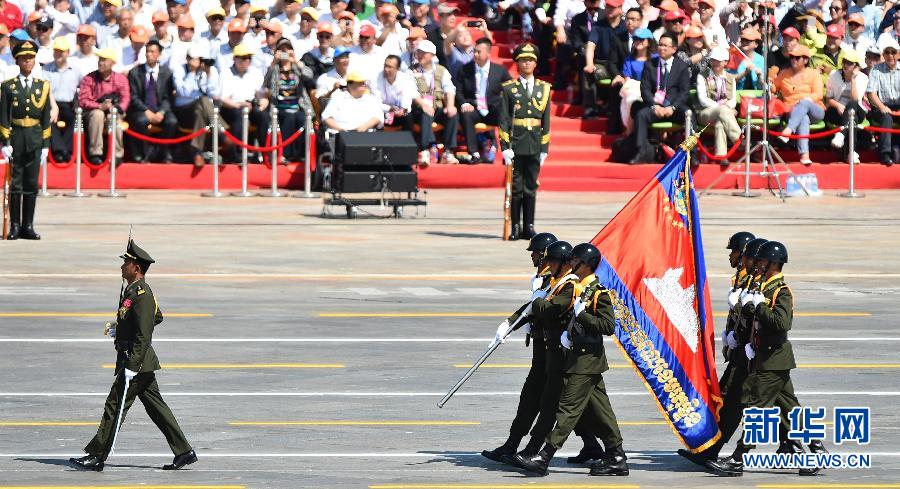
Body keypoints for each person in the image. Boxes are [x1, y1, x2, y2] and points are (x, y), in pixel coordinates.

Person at [69, 240, 196, 472]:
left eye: (126, 262)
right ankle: (184, 451)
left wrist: (132, 365)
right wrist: (122, 328)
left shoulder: (142, 293)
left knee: (114, 406)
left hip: (136, 363)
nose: (122, 266)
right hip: (138, 361)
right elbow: (155, 317)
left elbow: (146, 330)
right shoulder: (133, 292)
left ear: (136, 267)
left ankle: (97, 456)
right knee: (157, 408)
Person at [706, 240, 828, 477]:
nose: (759, 264)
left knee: (757, 410)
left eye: (763, 260)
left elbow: (782, 324)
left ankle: (738, 459)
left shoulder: (780, 292)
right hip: (767, 358)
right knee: (790, 410)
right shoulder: (763, 287)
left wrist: (759, 307)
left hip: (773, 359)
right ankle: (817, 448)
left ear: (774, 263)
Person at [515, 243, 628, 477]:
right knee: (602, 411)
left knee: (567, 410)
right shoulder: (581, 290)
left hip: (586, 361)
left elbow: (608, 326)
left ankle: (544, 457)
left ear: (587, 264)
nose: (572, 263)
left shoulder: (598, 292)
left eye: (576, 260)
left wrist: (582, 315)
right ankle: (617, 456)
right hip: (579, 359)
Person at [499, 43, 550, 240]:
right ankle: (515, 227)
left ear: (535, 63)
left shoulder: (543, 89)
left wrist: (544, 148)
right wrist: (505, 147)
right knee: (516, 187)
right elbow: (503, 120)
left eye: (530, 60)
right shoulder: (509, 89)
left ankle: (529, 226)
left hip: (535, 142)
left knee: (531, 185)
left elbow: (546, 120)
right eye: (523, 60)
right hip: (516, 143)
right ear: (517, 63)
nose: (527, 63)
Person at [0, 41, 50, 241]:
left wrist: (46, 145)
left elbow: (45, 117)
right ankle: (14, 226)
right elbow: (3, 116)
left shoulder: (42, 86)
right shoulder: (8, 86)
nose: (27, 61)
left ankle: (28, 225)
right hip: (17, 137)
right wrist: (5, 142)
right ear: (17, 61)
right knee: (16, 185)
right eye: (24, 58)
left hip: (35, 138)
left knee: (31, 184)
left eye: (30, 58)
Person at [631, 32, 690, 163]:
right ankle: (641, 152)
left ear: (674, 49)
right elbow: (645, 89)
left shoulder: (682, 66)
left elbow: (684, 92)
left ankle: (692, 153)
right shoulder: (649, 64)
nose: (661, 48)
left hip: (674, 107)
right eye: (660, 45)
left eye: (665, 46)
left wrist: (673, 107)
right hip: (655, 106)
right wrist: (653, 105)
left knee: (689, 114)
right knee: (641, 115)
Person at [453, 37, 511, 163]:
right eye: (474, 51)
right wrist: (463, 103)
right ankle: (474, 153)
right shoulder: (465, 70)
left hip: (492, 108)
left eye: (479, 52)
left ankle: (507, 151)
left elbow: (511, 89)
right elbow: (458, 91)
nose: (475, 54)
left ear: (488, 53)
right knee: (466, 115)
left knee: (505, 113)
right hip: (474, 107)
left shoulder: (500, 70)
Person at [263, 36, 314, 162]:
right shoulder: (274, 68)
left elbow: (310, 76)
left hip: (298, 106)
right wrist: (273, 62)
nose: (285, 52)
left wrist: (295, 61)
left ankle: (301, 154)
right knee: (289, 117)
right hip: (280, 107)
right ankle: (285, 153)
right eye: (282, 50)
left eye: (287, 49)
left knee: (303, 119)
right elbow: (266, 83)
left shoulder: (297, 67)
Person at [772, 45, 825, 166]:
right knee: (803, 118)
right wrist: (769, 81)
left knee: (804, 103)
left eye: (797, 58)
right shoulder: (784, 73)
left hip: (814, 109)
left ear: (805, 60)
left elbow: (819, 94)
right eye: (791, 57)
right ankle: (804, 155)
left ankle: (788, 130)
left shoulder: (813, 74)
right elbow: (773, 88)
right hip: (792, 111)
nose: (793, 60)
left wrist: (804, 101)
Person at [410, 39, 459, 165]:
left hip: (436, 107)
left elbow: (449, 88)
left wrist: (450, 105)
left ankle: (448, 152)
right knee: (425, 113)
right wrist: (423, 104)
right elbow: (411, 91)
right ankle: (425, 149)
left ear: (432, 55)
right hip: (419, 108)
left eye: (423, 53)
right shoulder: (412, 71)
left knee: (452, 115)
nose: (419, 55)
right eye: (418, 52)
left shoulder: (441, 70)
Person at [126, 40, 176, 162]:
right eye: (147, 51)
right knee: (141, 120)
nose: (149, 54)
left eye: (153, 52)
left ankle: (163, 152)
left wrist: (162, 112)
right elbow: (133, 96)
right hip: (141, 109)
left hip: (160, 109)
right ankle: (145, 154)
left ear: (159, 54)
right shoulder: (135, 72)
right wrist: (146, 111)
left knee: (172, 122)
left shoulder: (167, 73)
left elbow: (168, 97)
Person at [78, 48, 130, 165]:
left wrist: (115, 108)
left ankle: (117, 154)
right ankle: (95, 153)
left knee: (114, 116)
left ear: (112, 63)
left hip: (114, 111)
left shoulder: (121, 79)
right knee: (97, 114)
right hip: (93, 112)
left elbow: (125, 99)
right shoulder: (88, 78)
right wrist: (100, 106)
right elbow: (83, 100)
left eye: (104, 60)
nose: (101, 62)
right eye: (100, 59)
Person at [220, 43, 269, 162]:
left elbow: (262, 95)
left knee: (264, 116)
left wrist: (263, 102)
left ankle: (265, 152)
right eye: (243, 58)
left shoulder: (255, 73)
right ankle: (237, 154)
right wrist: (238, 105)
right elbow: (223, 99)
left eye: (249, 58)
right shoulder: (226, 73)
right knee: (239, 115)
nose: (247, 61)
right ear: (235, 59)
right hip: (231, 107)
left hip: (250, 105)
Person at [173, 44, 220, 167]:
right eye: (196, 59)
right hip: (184, 111)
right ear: (188, 59)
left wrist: (208, 74)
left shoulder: (208, 71)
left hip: (202, 112)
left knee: (201, 107)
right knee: (203, 101)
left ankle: (196, 153)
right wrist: (192, 73)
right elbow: (184, 92)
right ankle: (221, 131)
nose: (198, 62)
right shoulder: (180, 69)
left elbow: (215, 94)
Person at [608, 27, 654, 137]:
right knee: (629, 99)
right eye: (636, 39)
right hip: (635, 89)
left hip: (652, 89)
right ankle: (630, 129)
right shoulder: (629, 59)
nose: (638, 41)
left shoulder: (655, 58)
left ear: (649, 42)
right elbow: (627, 78)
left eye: (641, 39)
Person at [697, 46, 740, 160]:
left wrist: (725, 108)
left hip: (725, 114)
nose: (715, 62)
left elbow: (733, 101)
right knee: (723, 111)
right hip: (706, 113)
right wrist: (721, 107)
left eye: (718, 60)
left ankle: (721, 156)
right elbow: (703, 100)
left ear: (725, 62)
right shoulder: (702, 76)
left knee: (720, 123)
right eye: (713, 60)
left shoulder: (731, 78)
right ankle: (740, 140)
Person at [825, 49, 868, 161]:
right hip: (836, 109)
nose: (845, 65)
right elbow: (828, 98)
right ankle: (852, 153)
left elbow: (855, 99)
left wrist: (853, 80)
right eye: (844, 61)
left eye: (849, 63)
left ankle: (841, 134)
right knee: (852, 119)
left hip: (856, 109)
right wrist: (838, 105)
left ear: (856, 66)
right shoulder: (834, 75)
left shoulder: (863, 78)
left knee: (852, 108)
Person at [45, 36, 83, 165]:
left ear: (68, 52)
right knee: (49, 119)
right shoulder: (46, 69)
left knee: (74, 119)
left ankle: (63, 151)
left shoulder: (76, 71)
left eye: (61, 51)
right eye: (56, 51)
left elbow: (81, 89)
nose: (58, 54)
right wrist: (52, 106)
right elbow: (45, 90)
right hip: (50, 104)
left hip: (68, 104)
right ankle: (61, 151)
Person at [865, 38, 900, 166]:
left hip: (898, 104)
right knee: (886, 117)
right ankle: (885, 153)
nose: (890, 55)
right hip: (881, 104)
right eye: (887, 52)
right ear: (883, 55)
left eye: (893, 52)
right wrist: (881, 107)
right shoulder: (876, 69)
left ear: (898, 54)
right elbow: (871, 93)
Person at [371, 54, 416, 132]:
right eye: (385, 66)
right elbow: (376, 102)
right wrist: (389, 108)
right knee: (377, 115)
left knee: (408, 117)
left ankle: (408, 143)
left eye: (389, 67)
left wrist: (403, 109)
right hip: (383, 112)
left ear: (398, 69)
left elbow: (407, 98)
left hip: (399, 113)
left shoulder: (405, 78)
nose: (386, 69)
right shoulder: (376, 78)